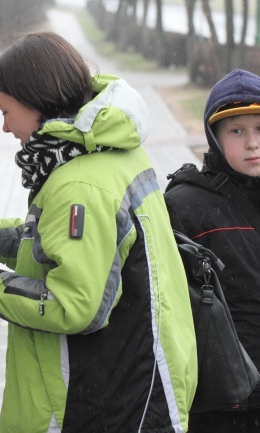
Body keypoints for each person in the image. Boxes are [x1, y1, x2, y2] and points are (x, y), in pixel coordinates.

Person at [0, 32, 198, 432]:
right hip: (138, 380)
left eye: (4, 111)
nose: (4, 127)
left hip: (101, 402)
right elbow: (74, 246)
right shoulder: (107, 151)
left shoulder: (79, 185)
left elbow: (74, 305)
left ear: (37, 99)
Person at [165, 68, 260, 432]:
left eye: (259, 128)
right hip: (222, 404)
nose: (252, 142)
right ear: (214, 137)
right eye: (237, 130)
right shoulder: (184, 206)